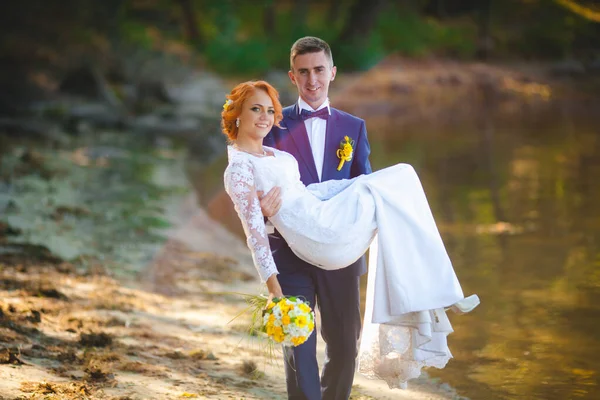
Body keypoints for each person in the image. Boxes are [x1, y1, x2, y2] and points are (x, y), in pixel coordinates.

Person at [221, 79, 479, 394]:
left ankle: (438, 294)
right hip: (313, 237)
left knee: (401, 177)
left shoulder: (279, 158)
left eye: (268, 110)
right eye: (255, 109)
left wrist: (356, 185)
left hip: (321, 219)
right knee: (300, 348)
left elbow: (308, 194)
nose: (264, 117)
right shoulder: (239, 169)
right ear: (236, 115)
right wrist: (274, 289)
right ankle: (438, 294)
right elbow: (254, 233)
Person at [260, 36, 370, 400]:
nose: (312, 80)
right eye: (303, 72)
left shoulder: (353, 128)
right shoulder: (272, 126)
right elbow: (251, 181)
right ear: (292, 77)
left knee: (345, 347)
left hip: (341, 253)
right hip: (290, 253)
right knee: (298, 344)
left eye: (319, 70)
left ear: (333, 72)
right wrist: (260, 212)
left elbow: (365, 190)